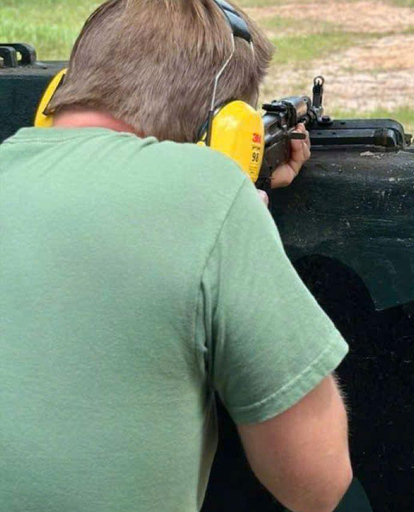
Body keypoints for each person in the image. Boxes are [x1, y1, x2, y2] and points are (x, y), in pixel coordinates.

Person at [0, 1, 352, 511]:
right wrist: (235, 214)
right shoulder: (210, 193)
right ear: (228, 129)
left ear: (56, 95)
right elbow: (316, 483)